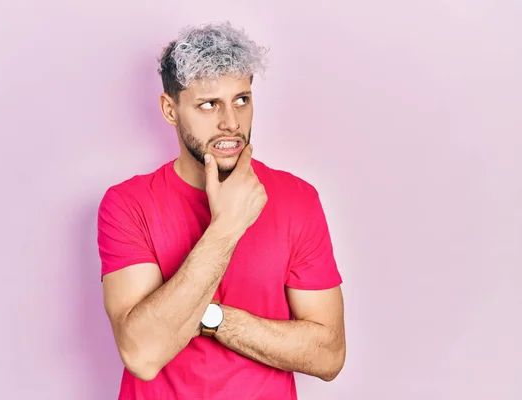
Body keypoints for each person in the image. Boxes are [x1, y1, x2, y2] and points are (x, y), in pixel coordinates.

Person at [97, 21, 346, 400]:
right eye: (209, 104)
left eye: (241, 100)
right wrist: (227, 226)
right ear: (170, 109)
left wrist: (213, 318)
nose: (231, 123)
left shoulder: (297, 198)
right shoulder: (127, 204)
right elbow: (142, 353)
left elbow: (329, 354)